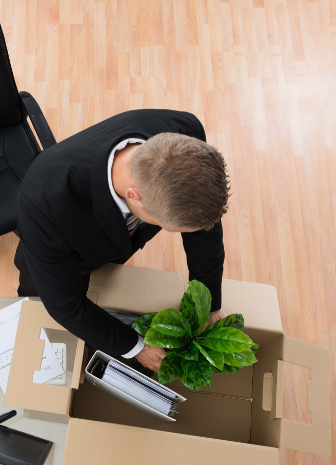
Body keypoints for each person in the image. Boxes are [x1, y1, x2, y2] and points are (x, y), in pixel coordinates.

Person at [14, 109, 229, 372]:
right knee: (37, 297)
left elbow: (203, 229)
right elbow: (65, 306)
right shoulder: (44, 202)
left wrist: (208, 301)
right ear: (135, 195)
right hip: (60, 252)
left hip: (108, 238)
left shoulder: (185, 134)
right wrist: (136, 347)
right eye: (168, 226)